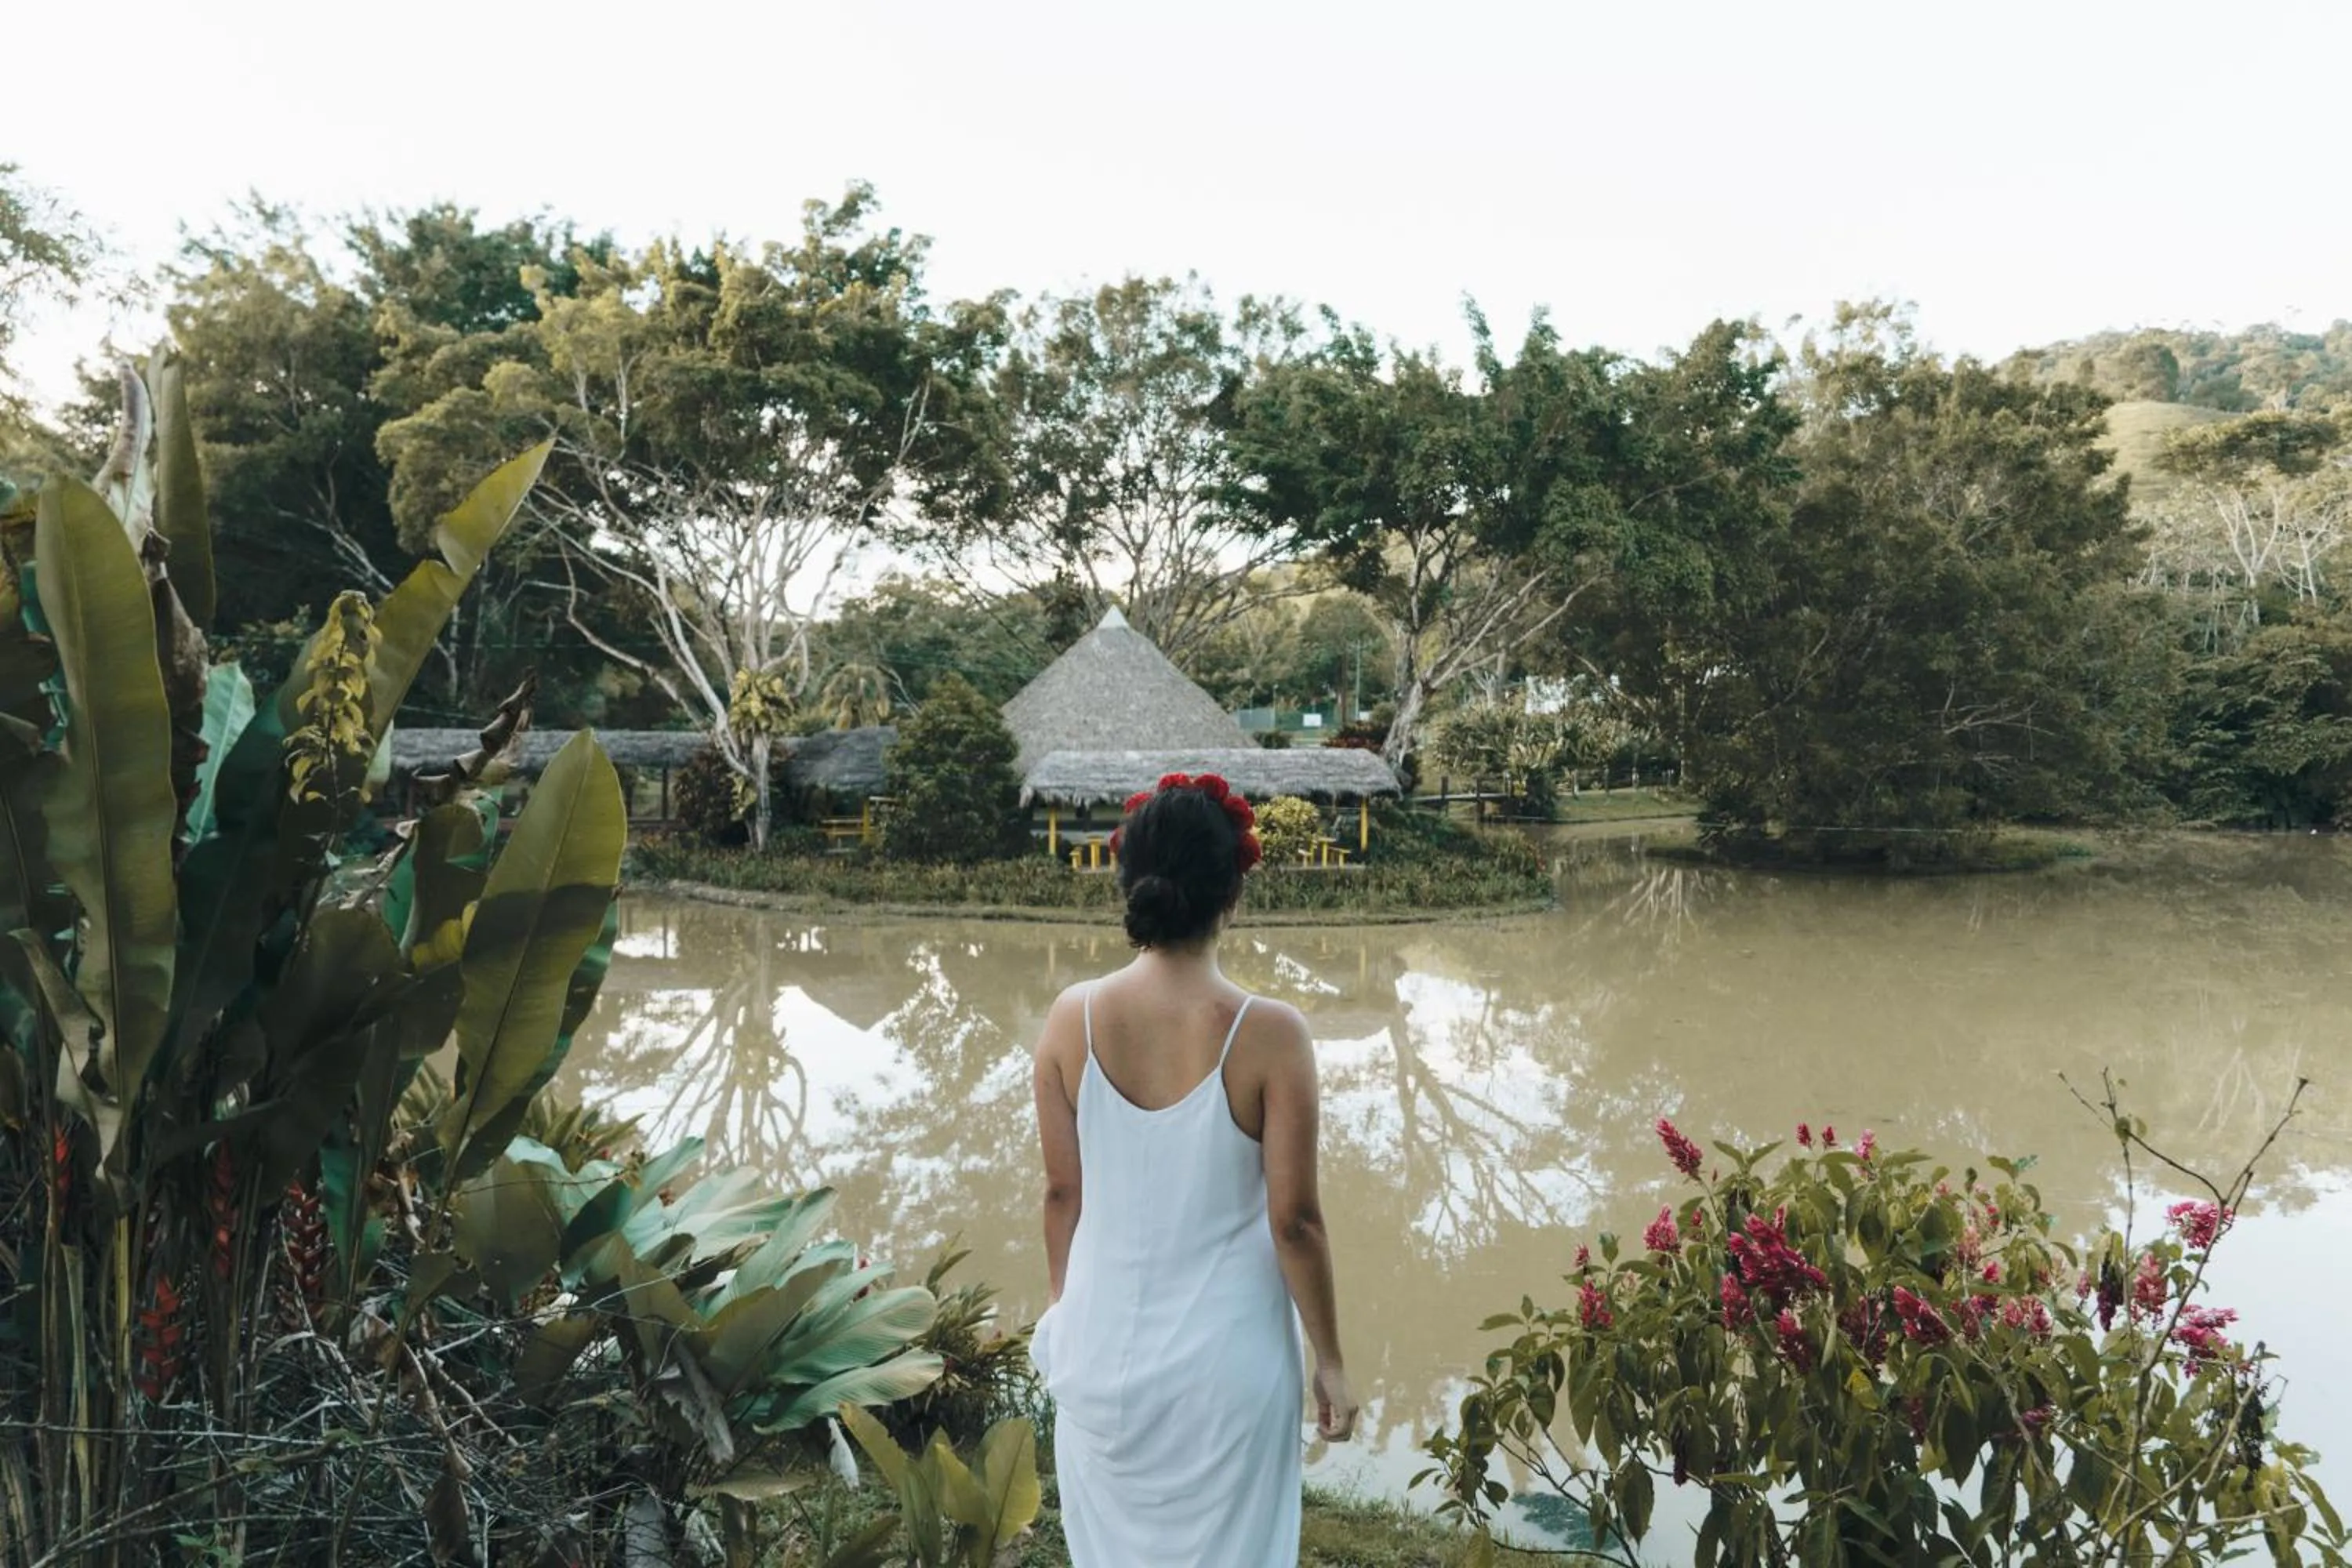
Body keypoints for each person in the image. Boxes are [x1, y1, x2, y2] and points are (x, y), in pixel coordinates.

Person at [1028, 773, 1356, 1566]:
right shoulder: (1273, 1034)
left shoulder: (1071, 1017)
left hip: (1102, 1354)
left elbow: (1062, 1193)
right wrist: (1332, 1363)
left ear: (1128, 876)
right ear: (1233, 888)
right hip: (1228, 1373)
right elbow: (1296, 1222)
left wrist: (1071, 1311)